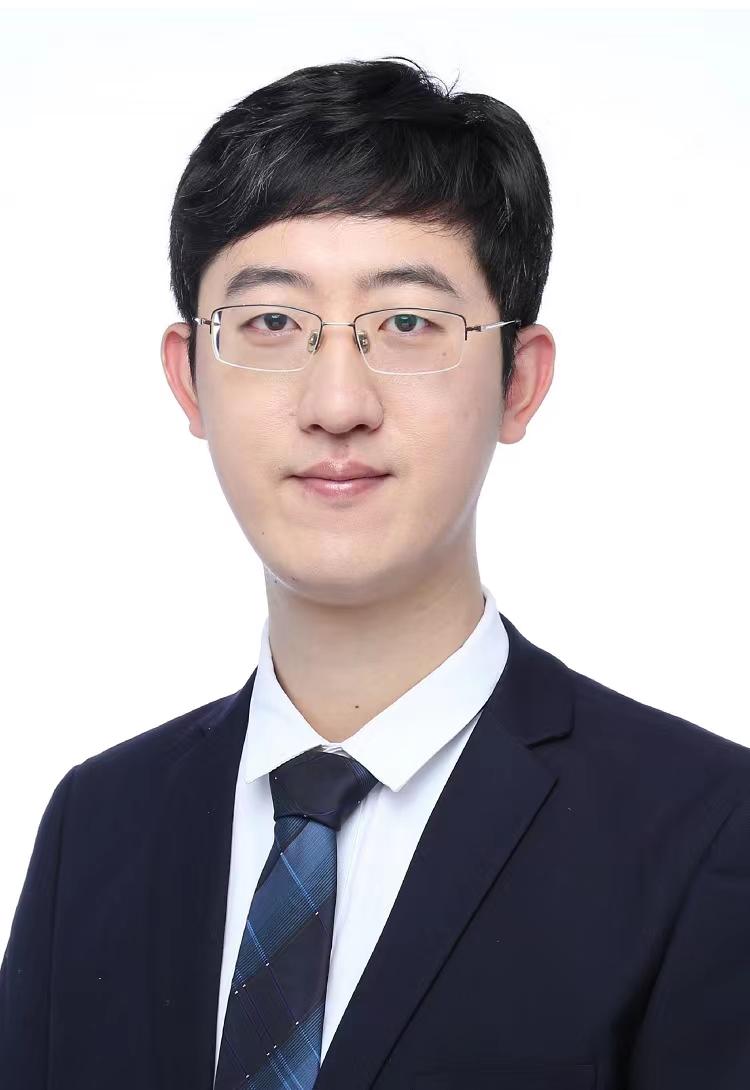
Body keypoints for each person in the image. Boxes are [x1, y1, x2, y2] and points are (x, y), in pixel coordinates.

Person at [1, 55, 749, 1090]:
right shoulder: (98, 823)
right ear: (189, 378)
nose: (337, 403)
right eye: (271, 323)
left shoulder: (708, 831)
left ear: (519, 381)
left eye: (406, 323)